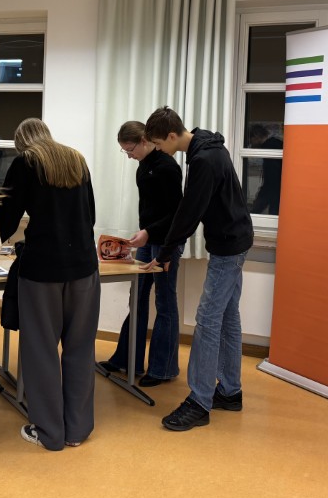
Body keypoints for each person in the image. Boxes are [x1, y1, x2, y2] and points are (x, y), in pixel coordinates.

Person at [141, 106, 253, 432]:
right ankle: (230, 391)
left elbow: (190, 211)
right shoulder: (206, 146)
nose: (158, 150)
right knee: (227, 317)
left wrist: (166, 251)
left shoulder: (203, 159)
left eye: (158, 144)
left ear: (171, 135)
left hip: (228, 246)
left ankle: (200, 401)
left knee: (206, 320)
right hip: (234, 239)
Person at [0, 118, 100, 451]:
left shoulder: (25, 162)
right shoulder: (76, 160)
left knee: (41, 350)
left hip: (43, 270)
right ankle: (76, 430)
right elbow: (91, 215)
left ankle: (49, 432)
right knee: (81, 348)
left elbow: (6, 218)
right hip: (84, 267)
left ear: (21, 142)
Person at [99, 120, 183, 387]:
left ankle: (163, 369)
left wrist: (150, 231)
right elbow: (149, 208)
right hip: (149, 239)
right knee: (137, 298)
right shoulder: (143, 166)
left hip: (167, 242)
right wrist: (144, 232)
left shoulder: (168, 167)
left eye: (130, 149)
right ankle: (127, 360)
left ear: (145, 141)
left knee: (165, 302)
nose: (128, 155)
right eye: (124, 151)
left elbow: (176, 213)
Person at [247, 123, 283, 215]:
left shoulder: (270, 147)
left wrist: (260, 198)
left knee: (266, 213)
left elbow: (272, 176)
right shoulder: (275, 143)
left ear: (256, 136)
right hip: (278, 189)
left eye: (251, 140)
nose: (251, 144)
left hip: (275, 189)